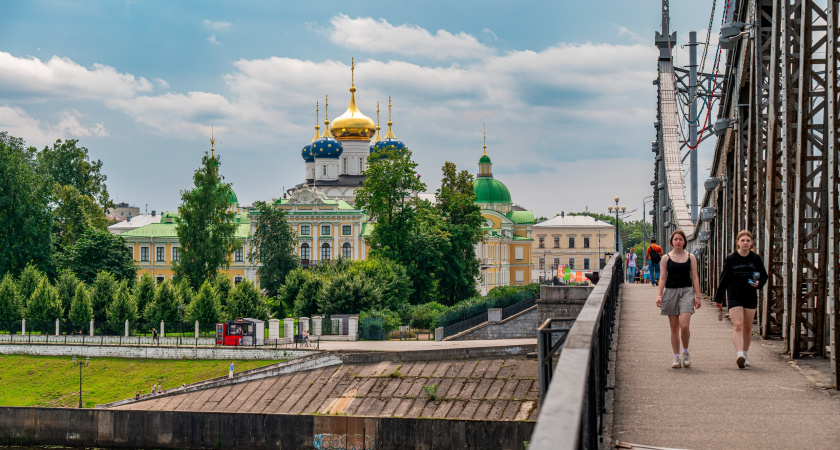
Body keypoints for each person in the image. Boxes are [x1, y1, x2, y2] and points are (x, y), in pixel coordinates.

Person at [714, 230, 768, 369]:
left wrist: (758, 284)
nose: (745, 243)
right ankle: (740, 355)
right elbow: (724, 278)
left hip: (750, 295)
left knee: (748, 327)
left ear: (751, 243)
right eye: (742, 240)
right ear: (738, 242)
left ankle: (745, 353)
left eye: (748, 241)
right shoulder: (731, 258)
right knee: (738, 324)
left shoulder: (756, 258)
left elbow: (764, 276)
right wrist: (719, 298)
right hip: (734, 295)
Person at [656, 230, 701, 369]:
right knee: (674, 327)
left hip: (687, 291)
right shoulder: (666, 258)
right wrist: (659, 294)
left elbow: (694, 277)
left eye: (681, 239)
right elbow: (663, 277)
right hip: (670, 292)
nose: (678, 241)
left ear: (684, 242)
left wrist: (697, 296)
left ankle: (686, 353)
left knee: (685, 325)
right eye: (675, 239)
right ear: (672, 241)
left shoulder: (691, 257)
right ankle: (676, 357)